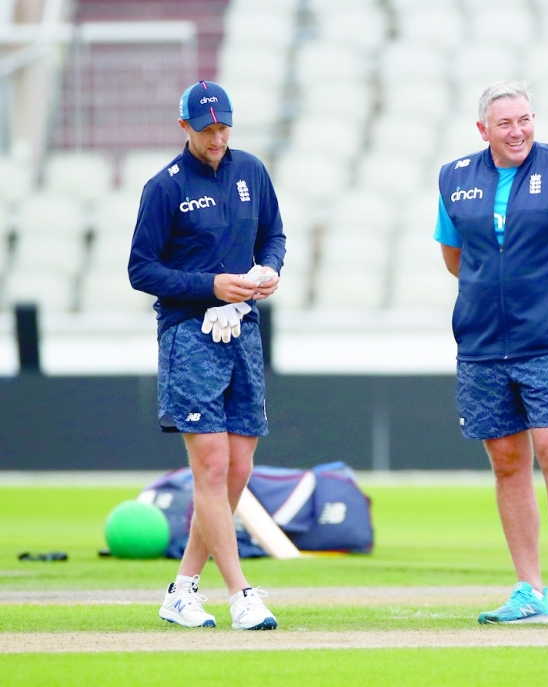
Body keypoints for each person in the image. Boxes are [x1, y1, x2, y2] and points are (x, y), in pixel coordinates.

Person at [435, 81, 548, 627]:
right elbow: (454, 260)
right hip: (483, 344)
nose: (518, 131)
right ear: (482, 129)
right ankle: (529, 589)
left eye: (525, 120)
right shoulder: (453, 178)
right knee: (507, 465)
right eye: (506, 123)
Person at [129, 80, 285, 631]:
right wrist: (209, 286)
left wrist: (268, 271)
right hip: (188, 334)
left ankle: (183, 589)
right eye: (206, 129)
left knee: (238, 466)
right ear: (185, 128)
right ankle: (241, 592)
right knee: (212, 466)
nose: (217, 138)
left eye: (223, 128)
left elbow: (274, 236)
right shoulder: (164, 188)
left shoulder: (252, 171)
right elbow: (141, 270)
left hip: (242, 328)